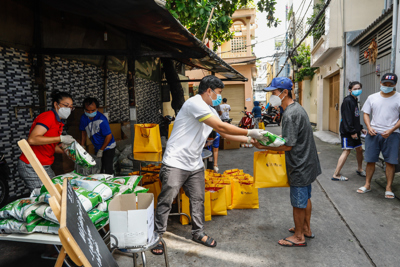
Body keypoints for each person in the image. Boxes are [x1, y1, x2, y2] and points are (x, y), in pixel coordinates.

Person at [152, 75, 267, 255]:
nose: (219, 97)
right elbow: (222, 128)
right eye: (218, 93)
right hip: (176, 161)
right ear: (209, 91)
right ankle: (157, 236)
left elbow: (226, 134)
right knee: (167, 200)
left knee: (198, 199)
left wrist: (251, 140)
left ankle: (197, 233)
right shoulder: (194, 103)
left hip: (194, 163)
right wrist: (251, 131)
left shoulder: (210, 109)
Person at [254, 77, 321, 247]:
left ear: (284, 93)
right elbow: (290, 138)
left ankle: (299, 237)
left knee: (298, 202)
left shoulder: (290, 114)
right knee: (305, 198)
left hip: (299, 164)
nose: (272, 97)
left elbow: (288, 146)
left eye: (274, 93)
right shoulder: (297, 109)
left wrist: (264, 146)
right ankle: (306, 228)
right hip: (308, 162)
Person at [18, 90, 75, 192]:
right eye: (66, 105)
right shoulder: (48, 117)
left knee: (56, 191)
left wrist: (70, 150)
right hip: (32, 164)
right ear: (56, 104)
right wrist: (60, 138)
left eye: (71, 107)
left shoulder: (59, 122)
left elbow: (51, 146)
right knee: (45, 196)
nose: (69, 109)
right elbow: (32, 139)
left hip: (45, 165)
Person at [357, 73, 400, 199]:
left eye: (390, 85)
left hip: (392, 135)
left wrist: (392, 130)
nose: (387, 86)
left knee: (390, 162)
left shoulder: (399, 98)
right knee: (370, 160)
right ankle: (367, 184)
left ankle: (388, 188)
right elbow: (366, 113)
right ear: (380, 83)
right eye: (385, 84)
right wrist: (369, 127)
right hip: (373, 133)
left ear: (395, 85)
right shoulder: (372, 97)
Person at [332, 81, 367, 181]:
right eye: (355, 89)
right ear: (350, 90)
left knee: (359, 149)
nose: (357, 90)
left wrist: (360, 128)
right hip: (348, 132)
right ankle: (336, 174)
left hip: (355, 131)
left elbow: (355, 117)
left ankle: (360, 169)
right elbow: (347, 118)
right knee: (347, 151)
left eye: (359, 88)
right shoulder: (348, 101)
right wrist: (352, 132)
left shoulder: (354, 100)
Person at [80, 97, 116, 175]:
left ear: (97, 109)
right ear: (84, 109)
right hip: (97, 146)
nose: (90, 112)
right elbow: (83, 132)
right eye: (87, 110)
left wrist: (101, 150)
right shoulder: (83, 118)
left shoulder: (102, 119)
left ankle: (110, 183)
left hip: (108, 146)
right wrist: (82, 145)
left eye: (92, 110)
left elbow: (109, 136)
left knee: (107, 168)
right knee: (100, 168)